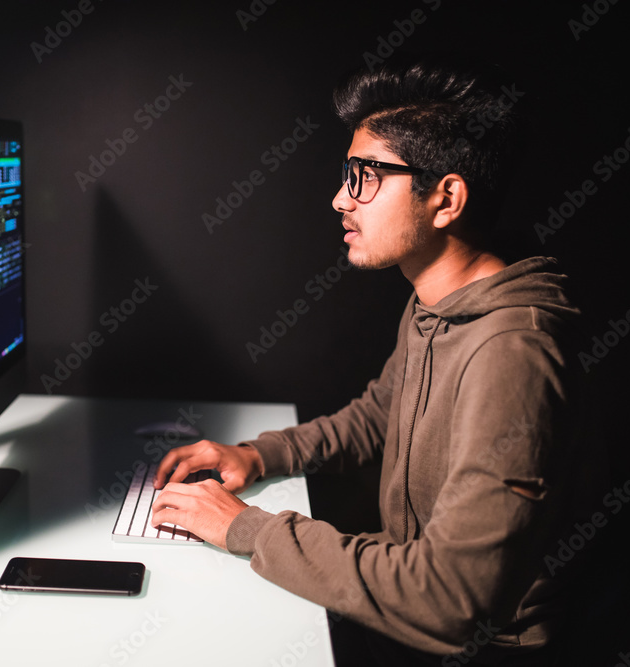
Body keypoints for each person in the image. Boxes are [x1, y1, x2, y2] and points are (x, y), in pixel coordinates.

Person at [149, 56, 602, 666]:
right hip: (402, 618)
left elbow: (450, 598)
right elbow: (379, 414)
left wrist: (246, 528)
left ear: (446, 199)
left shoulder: (513, 354)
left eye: (366, 176)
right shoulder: (436, 302)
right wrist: (259, 454)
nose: (341, 198)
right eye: (347, 174)